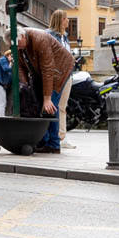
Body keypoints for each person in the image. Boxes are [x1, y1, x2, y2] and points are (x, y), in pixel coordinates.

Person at [18, 29, 75, 154]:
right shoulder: (18, 43)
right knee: (39, 105)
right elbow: (20, 66)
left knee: (49, 108)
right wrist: (26, 85)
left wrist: (47, 98)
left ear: (22, 37)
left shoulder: (40, 39)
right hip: (41, 74)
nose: (17, 47)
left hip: (59, 71)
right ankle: (43, 140)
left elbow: (48, 69)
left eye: (18, 43)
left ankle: (54, 144)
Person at [47, 9, 77, 149]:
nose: (68, 21)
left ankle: (62, 136)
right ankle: (56, 136)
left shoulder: (65, 37)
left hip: (67, 75)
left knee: (62, 107)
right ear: (60, 20)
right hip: (57, 76)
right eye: (66, 18)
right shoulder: (50, 36)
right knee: (56, 106)